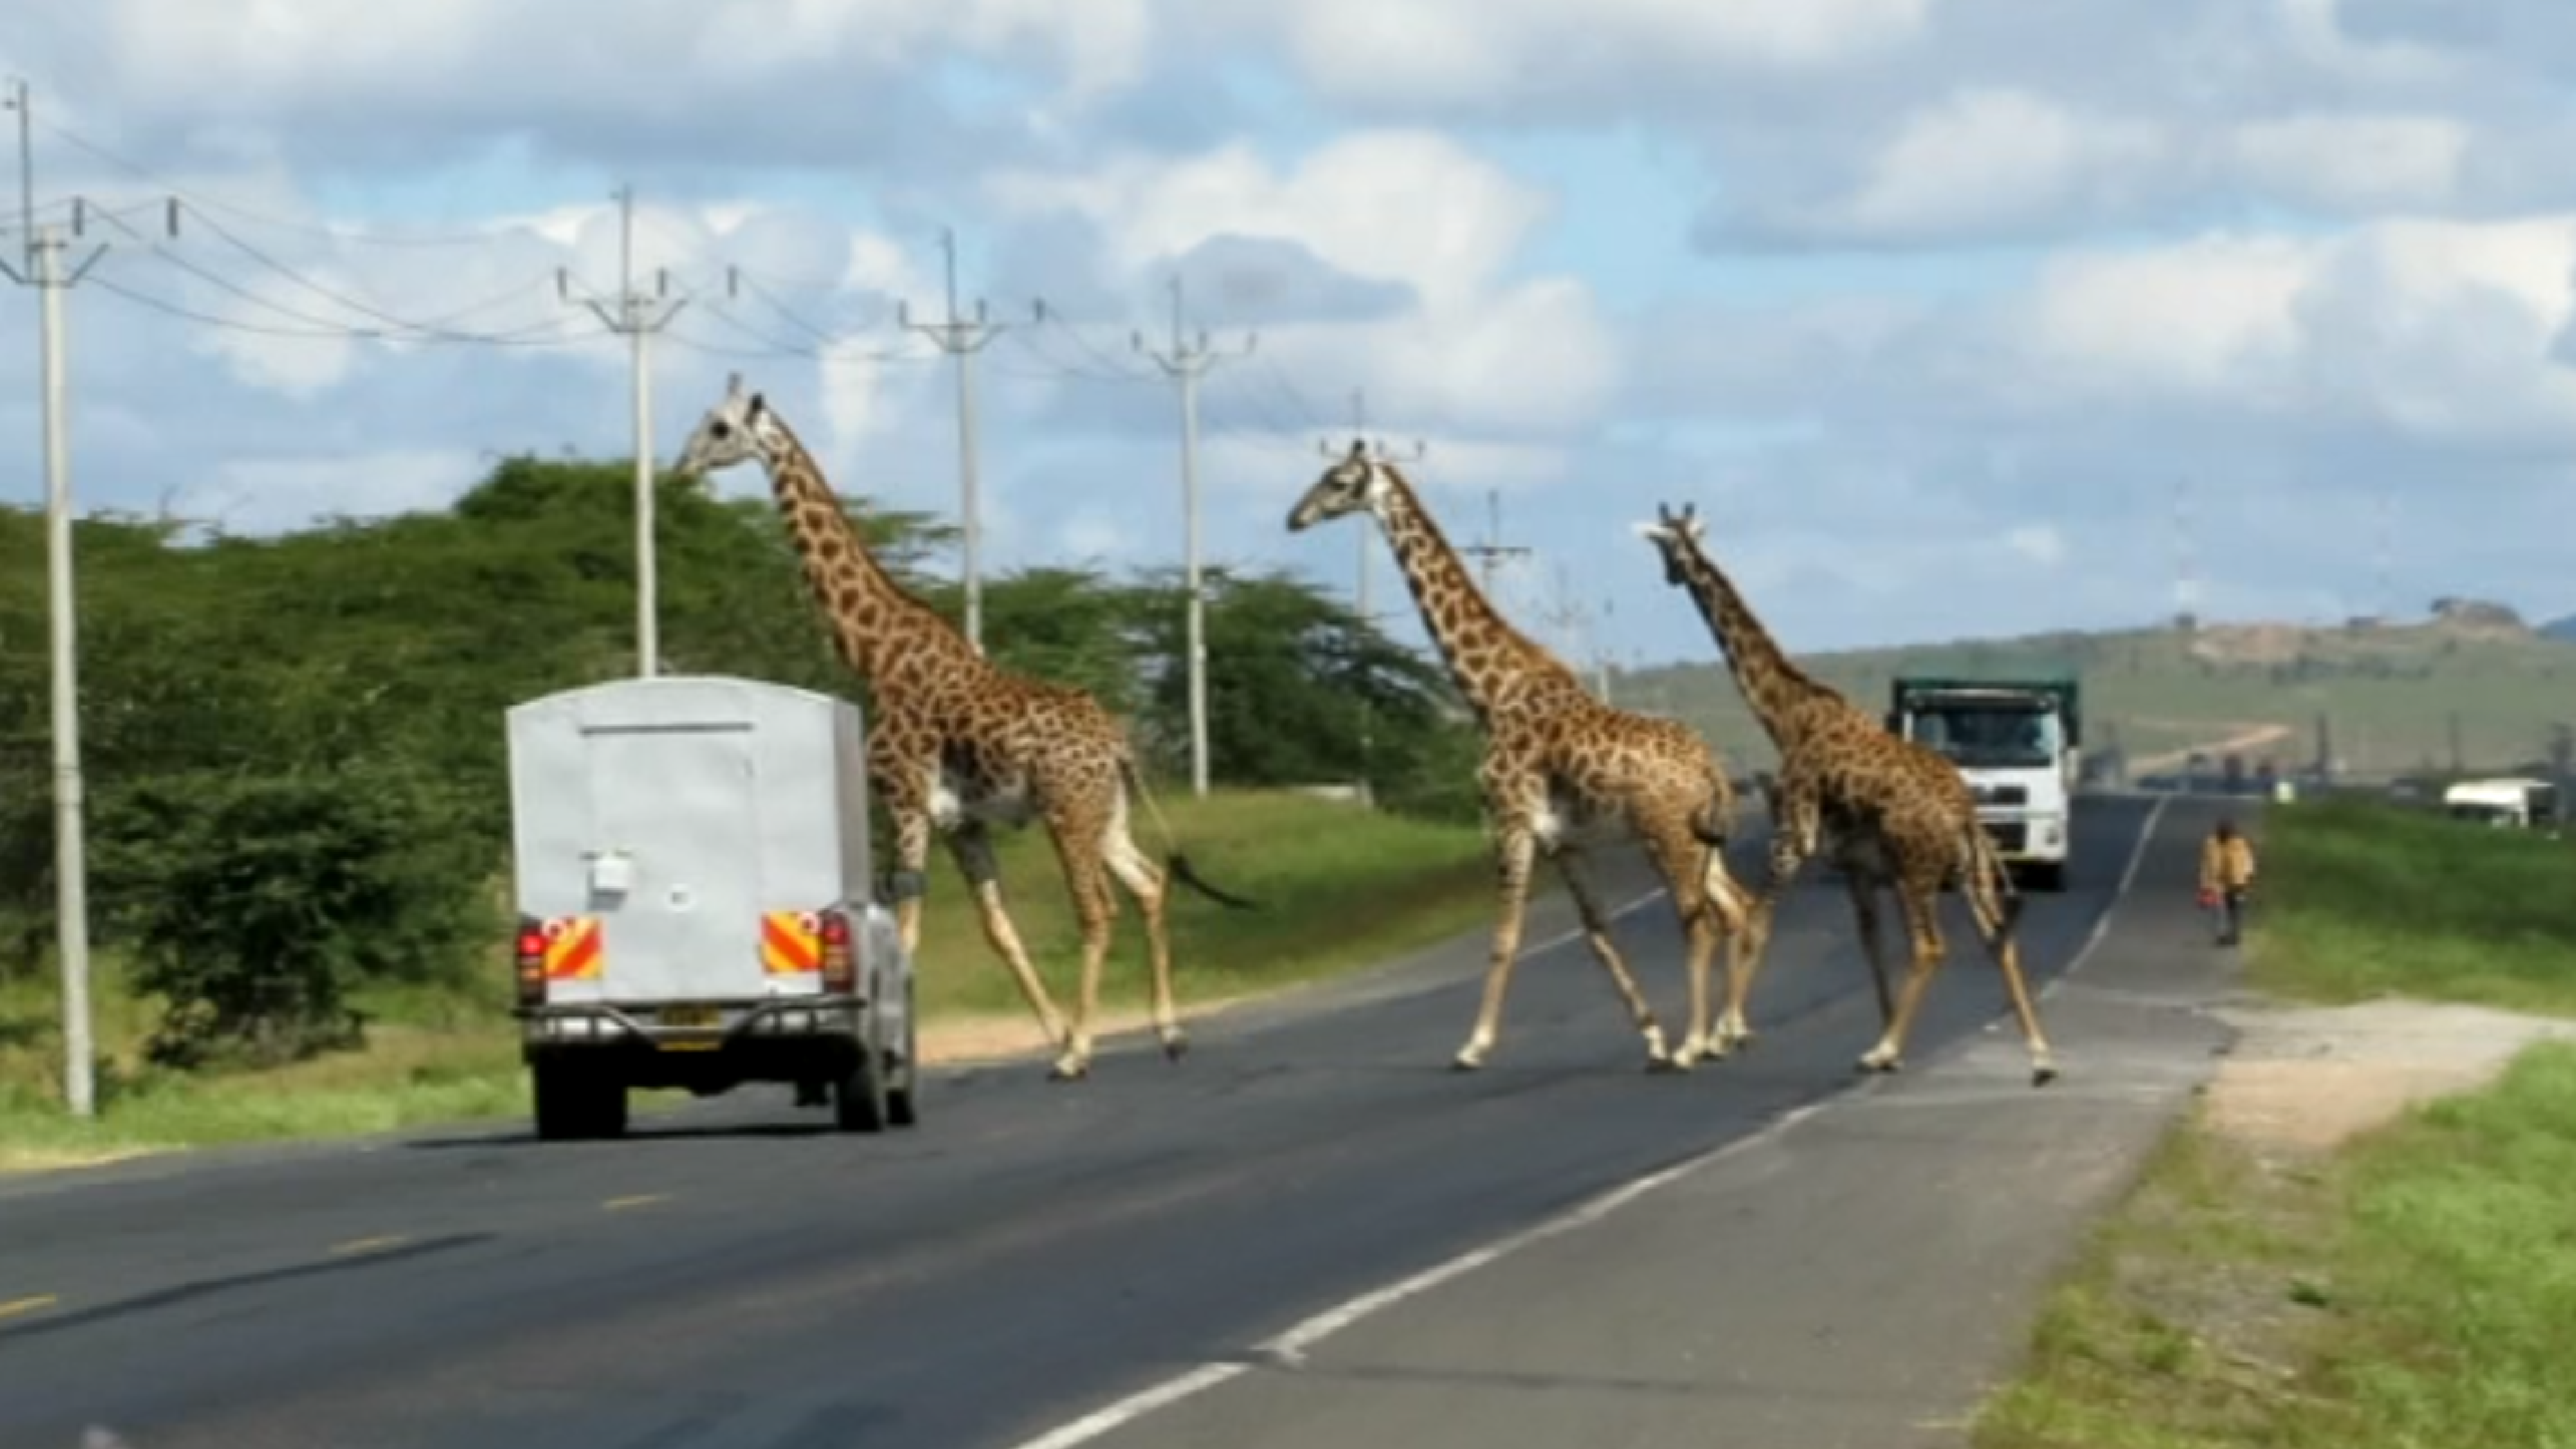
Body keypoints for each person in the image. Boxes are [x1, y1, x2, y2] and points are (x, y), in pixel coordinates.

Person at [2198, 817, 2257, 945]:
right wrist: (2204, 885)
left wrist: (2249, 877)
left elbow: (2248, 861)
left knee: (2235, 910)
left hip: (2237, 883)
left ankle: (2235, 934)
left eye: (2227, 831)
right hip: (2218, 882)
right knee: (2219, 909)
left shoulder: (2239, 843)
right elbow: (2206, 864)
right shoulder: (2211, 843)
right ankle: (2221, 935)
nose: (2224, 834)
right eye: (2222, 831)